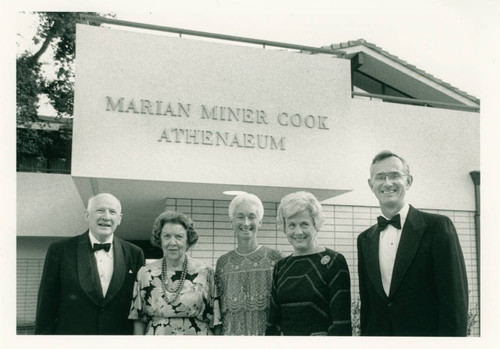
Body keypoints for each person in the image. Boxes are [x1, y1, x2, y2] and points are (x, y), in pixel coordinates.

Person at [357, 150, 469, 336]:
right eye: (380, 177)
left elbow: (455, 303)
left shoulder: (438, 227)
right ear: (371, 185)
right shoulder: (365, 239)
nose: (387, 183)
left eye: (395, 176)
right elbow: (368, 307)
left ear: (408, 181)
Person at [34, 193, 145, 335]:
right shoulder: (60, 250)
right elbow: (46, 303)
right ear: (87, 215)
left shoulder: (135, 253)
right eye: (100, 210)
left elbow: (138, 307)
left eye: (112, 212)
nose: (106, 217)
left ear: (119, 219)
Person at [266, 191, 352, 336]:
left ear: (316, 225)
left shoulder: (334, 262)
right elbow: (272, 323)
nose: (298, 232)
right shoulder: (281, 267)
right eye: (292, 225)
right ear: (284, 228)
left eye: (304, 224)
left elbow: (341, 323)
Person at [129, 210, 220, 335]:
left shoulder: (205, 272)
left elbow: (216, 319)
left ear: (188, 240)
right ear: (159, 239)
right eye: (167, 236)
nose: (172, 242)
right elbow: (138, 318)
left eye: (179, 236)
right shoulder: (146, 273)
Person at [215, 193, 281, 335]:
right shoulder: (222, 263)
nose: (246, 223)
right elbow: (217, 311)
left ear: (260, 222)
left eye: (252, 217)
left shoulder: (275, 258)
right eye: (240, 217)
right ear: (231, 222)